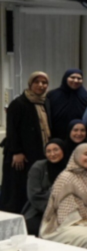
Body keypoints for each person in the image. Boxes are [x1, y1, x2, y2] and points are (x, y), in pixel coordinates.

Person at [1, 71, 51, 213]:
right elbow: (12, 130)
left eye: (44, 82)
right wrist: (17, 152)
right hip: (21, 155)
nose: (40, 85)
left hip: (38, 152)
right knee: (18, 188)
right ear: (30, 84)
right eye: (37, 82)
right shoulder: (18, 103)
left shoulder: (45, 102)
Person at [24, 139, 68, 235]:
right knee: (34, 228)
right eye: (48, 151)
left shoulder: (70, 168)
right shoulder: (38, 167)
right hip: (39, 210)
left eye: (56, 150)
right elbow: (34, 195)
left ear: (63, 150)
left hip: (66, 212)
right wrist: (52, 210)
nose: (52, 154)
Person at [47, 69, 87, 141]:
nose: (76, 80)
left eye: (79, 78)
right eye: (72, 77)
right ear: (65, 78)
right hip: (57, 137)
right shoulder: (52, 95)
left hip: (80, 137)